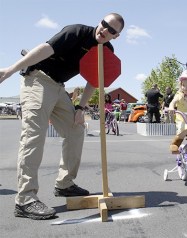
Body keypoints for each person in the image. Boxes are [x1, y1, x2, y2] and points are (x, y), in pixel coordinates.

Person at [0, 13, 125, 220]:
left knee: (76, 129)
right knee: (34, 135)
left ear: (116, 36)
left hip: (59, 87)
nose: (105, 31)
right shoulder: (76, 32)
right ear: (99, 22)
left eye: (112, 30)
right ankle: (25, 200)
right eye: (104, 25)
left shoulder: (106, 50)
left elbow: (93, 80)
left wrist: (80, 108)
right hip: (38, 79)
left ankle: (65, 184)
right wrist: (11, 70)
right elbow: (44, 48)